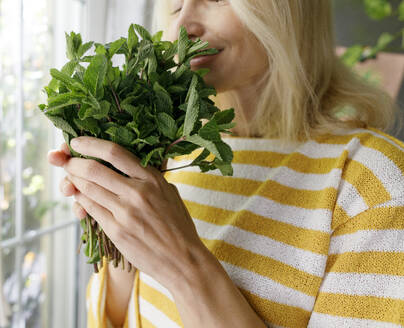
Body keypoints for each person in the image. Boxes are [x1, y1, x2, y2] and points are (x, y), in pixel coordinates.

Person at [48, 0, 404, 327]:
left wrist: (183, 265)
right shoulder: (176, 152)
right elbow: (120, 317)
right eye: (174, 5)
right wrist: (114, 214)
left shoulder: (372, 184)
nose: (184, 24)